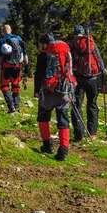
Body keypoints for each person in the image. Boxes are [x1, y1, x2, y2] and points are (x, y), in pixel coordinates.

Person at [34, 33, 76, 161]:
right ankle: (63, 150)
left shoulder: (43, 56)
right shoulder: (66, 54)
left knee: (43, 117)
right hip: (64, 91)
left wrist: (37, 91)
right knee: (63, 120)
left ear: (44, 44)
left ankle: (47, 145)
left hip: (48, 92)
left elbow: (38, 74)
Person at [71, 25, 106, 142]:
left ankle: (79, 134)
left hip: (79, 79)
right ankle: (93, 132)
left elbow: (70, 61)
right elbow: (98, 57)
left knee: (77, 105)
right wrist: (103, 69)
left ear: (75, 34)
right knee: (92, 104)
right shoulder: (90, 43)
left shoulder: (74, 44)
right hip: (92, 79)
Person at [0, 25, 29, 114]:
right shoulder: (19, 39)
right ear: (11, 30)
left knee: (4, 86)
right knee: (16, 85)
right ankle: (16, 106)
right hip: (17, 66)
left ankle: (11, 106)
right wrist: (26, 67)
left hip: (6, 66)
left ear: (2, 32)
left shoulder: (2, 41)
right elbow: (25, 54)